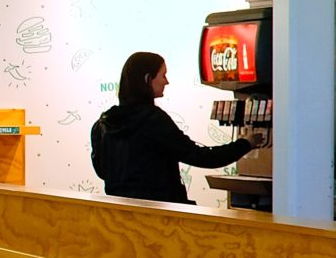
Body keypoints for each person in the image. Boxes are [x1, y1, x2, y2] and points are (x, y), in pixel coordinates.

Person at [90, 51, 258, 204]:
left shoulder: (102, 125)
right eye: (163, 75)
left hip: (120, 220)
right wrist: (246, 143)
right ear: (147, 79)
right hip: (161, 220)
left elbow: (103, 172)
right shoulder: (153, 120)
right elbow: (199, 156)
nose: (167, 82)